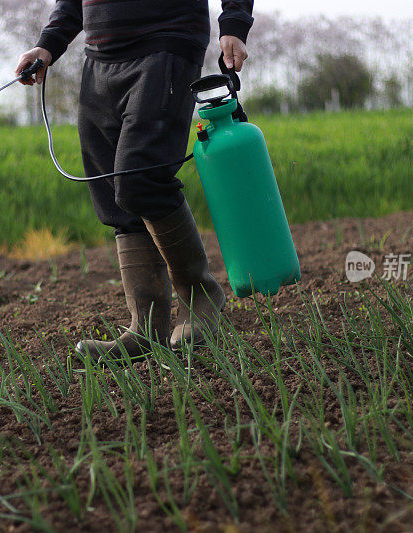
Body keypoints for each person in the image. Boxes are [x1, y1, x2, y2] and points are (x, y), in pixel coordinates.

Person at [15, 0, 253, 362]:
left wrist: (233, 24)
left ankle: (200, 294)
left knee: (141, 177)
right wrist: (48, 44)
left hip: (166, 41)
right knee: (112, 189)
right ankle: (146, 327)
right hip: (100, 55)